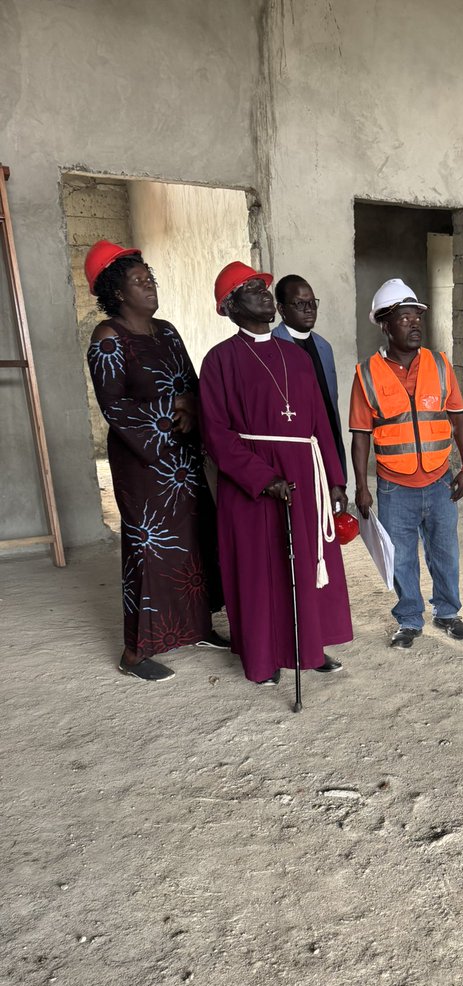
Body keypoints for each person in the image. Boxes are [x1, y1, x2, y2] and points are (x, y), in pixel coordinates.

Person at [198, 261, 352, 686]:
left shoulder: (296, 357)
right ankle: (264, 659)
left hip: (305, 472)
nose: (265, 293)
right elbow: (216, 433)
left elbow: (321, 420)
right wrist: (263, 478)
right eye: (252, 288)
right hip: (252, 483)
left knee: (305, 562)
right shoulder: (219, 361)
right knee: (260, 570)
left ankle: (309, 647)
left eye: (265, 287)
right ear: (230, 306)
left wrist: (335, 480)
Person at [85, 240, 225, 683]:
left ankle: (197, 627)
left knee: (194, 539)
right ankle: (135, 652)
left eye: (151, 278)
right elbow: (115, 407)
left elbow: (194, 385)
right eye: (139, 281)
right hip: (143, 464)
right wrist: (172, 409)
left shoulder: (166, 331)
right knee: (150, 551)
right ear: (118, 291)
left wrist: (193, 406)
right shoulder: (107, 337)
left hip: (182, 459)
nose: (150, 285)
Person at [350, 279, 463, 648]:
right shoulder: (366, 374)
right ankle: (408, 618)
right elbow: (360, 434)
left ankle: (448, 613)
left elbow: (460, 421)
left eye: (417, 317)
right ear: (386, 325)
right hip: (393, 485)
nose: (414, 324)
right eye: (405, 318)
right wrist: (361, 485)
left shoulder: (439, 365)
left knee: (445, 552)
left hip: (439, 480)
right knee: (401, 557)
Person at [272, 275, 346, 474]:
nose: (309, 309)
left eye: (312, 303)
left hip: (327, 441)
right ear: (281, 309)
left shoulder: (324, 347)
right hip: (294, 445)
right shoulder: (272, 347)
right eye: (299, 303)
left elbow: (330, 404)